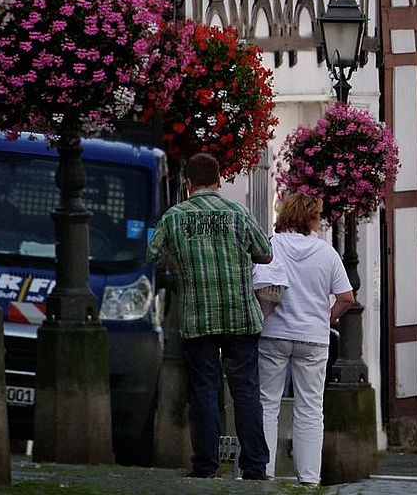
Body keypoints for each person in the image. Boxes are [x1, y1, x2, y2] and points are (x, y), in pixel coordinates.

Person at [147, 152, 273, 480]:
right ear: (219, 181)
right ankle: (255, 465)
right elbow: (265, 252)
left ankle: (205, 465)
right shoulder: (238, 212)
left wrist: (176, 266)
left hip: (197, 317)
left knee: (204, 389)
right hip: (241, 315)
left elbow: (152, 258)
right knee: (246, 390)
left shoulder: (174, 217)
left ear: (187, 184)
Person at [255, 193, 354, 486]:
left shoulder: (272, 246)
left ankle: (264, 470)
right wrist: (328, 317)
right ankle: (309, 478)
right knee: (310, 408)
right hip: (313, 337)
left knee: (267, 403)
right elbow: (347, 297)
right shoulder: (327, 253)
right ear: (312, 219)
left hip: (274, 332)